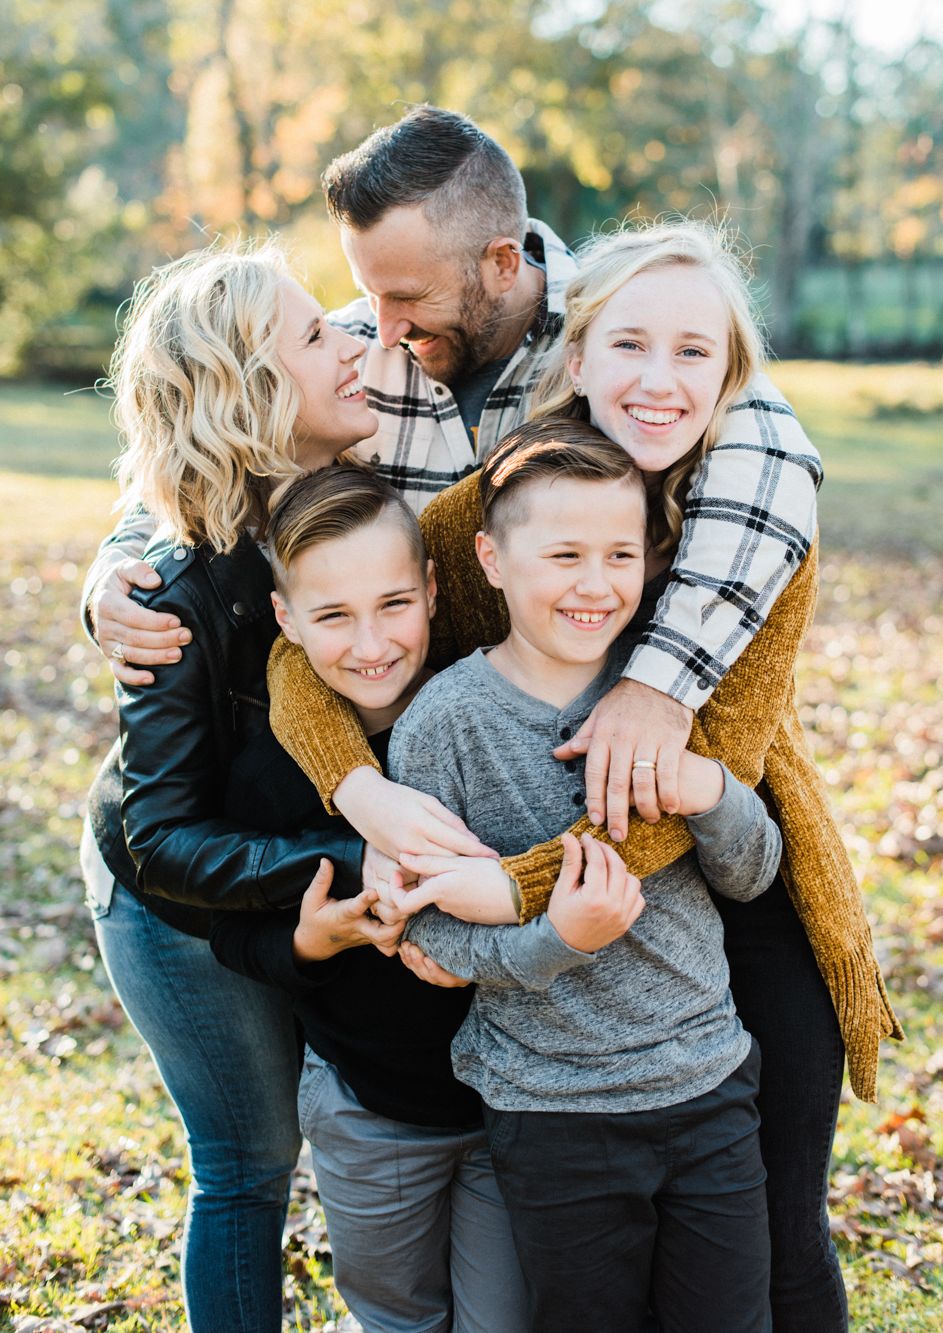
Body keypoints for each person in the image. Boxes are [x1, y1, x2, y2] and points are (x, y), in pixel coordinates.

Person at [268, 221, 902, 1333]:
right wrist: (361, 794)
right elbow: (303, 653)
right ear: (577, 355)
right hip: (561, 1021)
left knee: (776, 1241)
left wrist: (511, 887)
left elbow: (702, 778)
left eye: (694, 356)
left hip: (741, 894)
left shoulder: (754, 520)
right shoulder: (504, 510)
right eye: (628, 348)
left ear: (729, 376)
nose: (658, 383)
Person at [83, 106, 823, 848]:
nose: (382, 325)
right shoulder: (351, 353)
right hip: (417, 763)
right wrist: (123, 557)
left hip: (598, 757)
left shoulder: (623, 327)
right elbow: (213, 432)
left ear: (502, 264)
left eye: (407, 296)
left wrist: (658, 686)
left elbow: (772, 459)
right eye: (368, 292)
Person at [82, 243, 491, 1333]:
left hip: (293, 871)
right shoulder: (175, 587)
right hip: (173, 897)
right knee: (251, 1159)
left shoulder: (342, 500)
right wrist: (352, 861)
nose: (354, 342)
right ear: (249, 392)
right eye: (318, 335)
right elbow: (159, 834)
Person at [390, 419, 781, 1333]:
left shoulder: (667, 688)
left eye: (621, 553)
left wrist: (706, 786)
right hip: (551, 1111)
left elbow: (755, 876)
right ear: (490, 558)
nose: (597, 584)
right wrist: (555, 942)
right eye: (563, 554)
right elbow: (428, 930)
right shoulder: (444, 726)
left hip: (708, 1085)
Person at [208, 465, 530, 1333]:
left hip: (515, 1106)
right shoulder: (272, 772)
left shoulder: (489, 721)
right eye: (331, 617)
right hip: (368, 1112)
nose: (370, 643)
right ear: (285, 621)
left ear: (433, 590)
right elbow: (238, 941)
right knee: (397, 1316)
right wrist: (316, 940)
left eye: (394, 604)